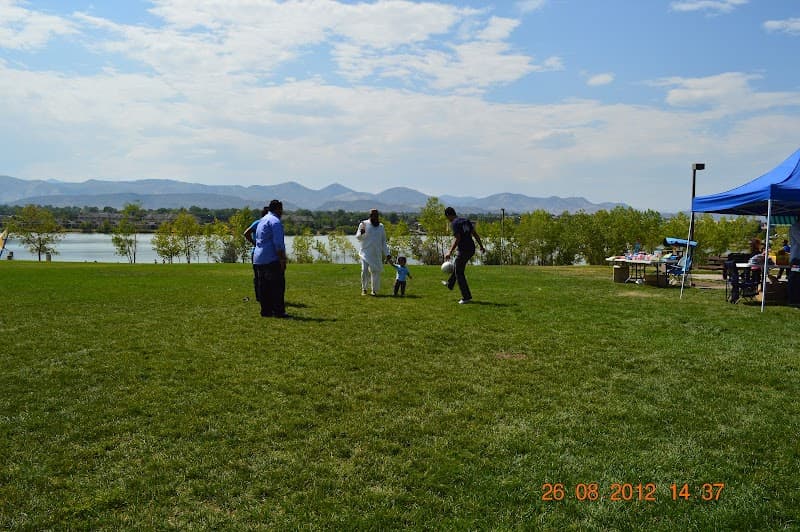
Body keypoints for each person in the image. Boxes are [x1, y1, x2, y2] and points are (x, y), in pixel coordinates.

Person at [253, 200, 289, 318]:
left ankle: (266, 311)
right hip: (271, 259)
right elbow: (278, 244)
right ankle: (279, 311)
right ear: (279, 209)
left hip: (258, 258)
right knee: (277, 286)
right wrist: (282, 260)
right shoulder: (275, 222)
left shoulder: (262, 221)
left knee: (264, 287)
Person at [443, 206, 485, 304]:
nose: (448, 220)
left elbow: (457, 238)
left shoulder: (454, 223)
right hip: (471, 248)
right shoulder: (465, 220)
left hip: (464, 250)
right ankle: (450, 284)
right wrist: (481, 246)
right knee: (458, 267)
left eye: (447, 217)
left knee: (459, 273)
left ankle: (466, 297)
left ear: (448, 215)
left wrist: (449, 252)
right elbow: (475, 234)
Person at [356, 209, 391, 296]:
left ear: (378, 216)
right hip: (365, 252)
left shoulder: (381, 227)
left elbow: (383, 242)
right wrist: (361, 233)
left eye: (376, 215)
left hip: (376, 254)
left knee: (376, 272)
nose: (374, 217)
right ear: (370, 215)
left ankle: (374, 290)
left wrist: (387, 254)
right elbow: (358, 238)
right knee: (364, 270)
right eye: (372, 215)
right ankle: (364, 289)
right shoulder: (363, 224)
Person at [244, 206, 269, 301]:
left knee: (261, 276)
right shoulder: (258, 223)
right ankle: (260, 296)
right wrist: (254, 242)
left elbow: (246, 233)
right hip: (257, 253)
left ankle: (262, 296)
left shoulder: (262, 223)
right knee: (259, 276)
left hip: (260, 253)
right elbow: (246, 233)